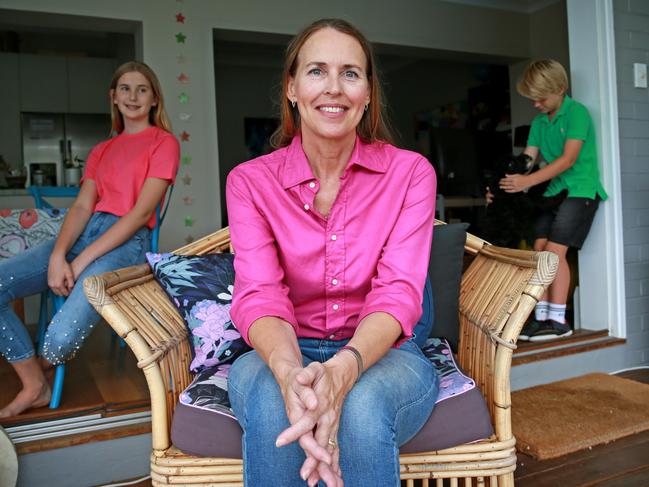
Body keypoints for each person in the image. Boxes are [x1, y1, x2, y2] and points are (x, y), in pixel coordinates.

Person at [225, 18, 438, 487]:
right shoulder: (250, 183)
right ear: (293, 88)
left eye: (350, 73)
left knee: (361, 407)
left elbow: (399, 292)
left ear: (366, 94)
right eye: (317, 71)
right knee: (272, 402)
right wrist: (288, 375)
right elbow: (260, 293)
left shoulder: (411, 174)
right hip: (283, 349)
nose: (334, 88)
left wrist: (342, 372)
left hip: (382, 353)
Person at [0, 61, 179, 417]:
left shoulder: (164, 143)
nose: (133, 96)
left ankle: (44, 364)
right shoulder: (101, 150)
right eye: (125, 89)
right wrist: (59, 255)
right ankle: (34, 381)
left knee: (60, 340)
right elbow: (82, 206)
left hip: (128, 242)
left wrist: (80, 262)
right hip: (86, 231)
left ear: (154, 99)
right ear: (113, 97)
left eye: (142, 89)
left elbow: (140, 215)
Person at [498, 59, 607, 341]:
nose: (536, 104)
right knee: (538, 250)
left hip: (580, 190)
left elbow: (568, 159)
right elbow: (528, 160)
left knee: (555, 253)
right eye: (533, 98)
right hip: (552, 193)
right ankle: (540, 317)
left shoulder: (577, 114)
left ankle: (559, 320)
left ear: (560, 88)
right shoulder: (538, 122)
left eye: (541, 98)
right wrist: (507, 184)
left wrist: (527, 182)